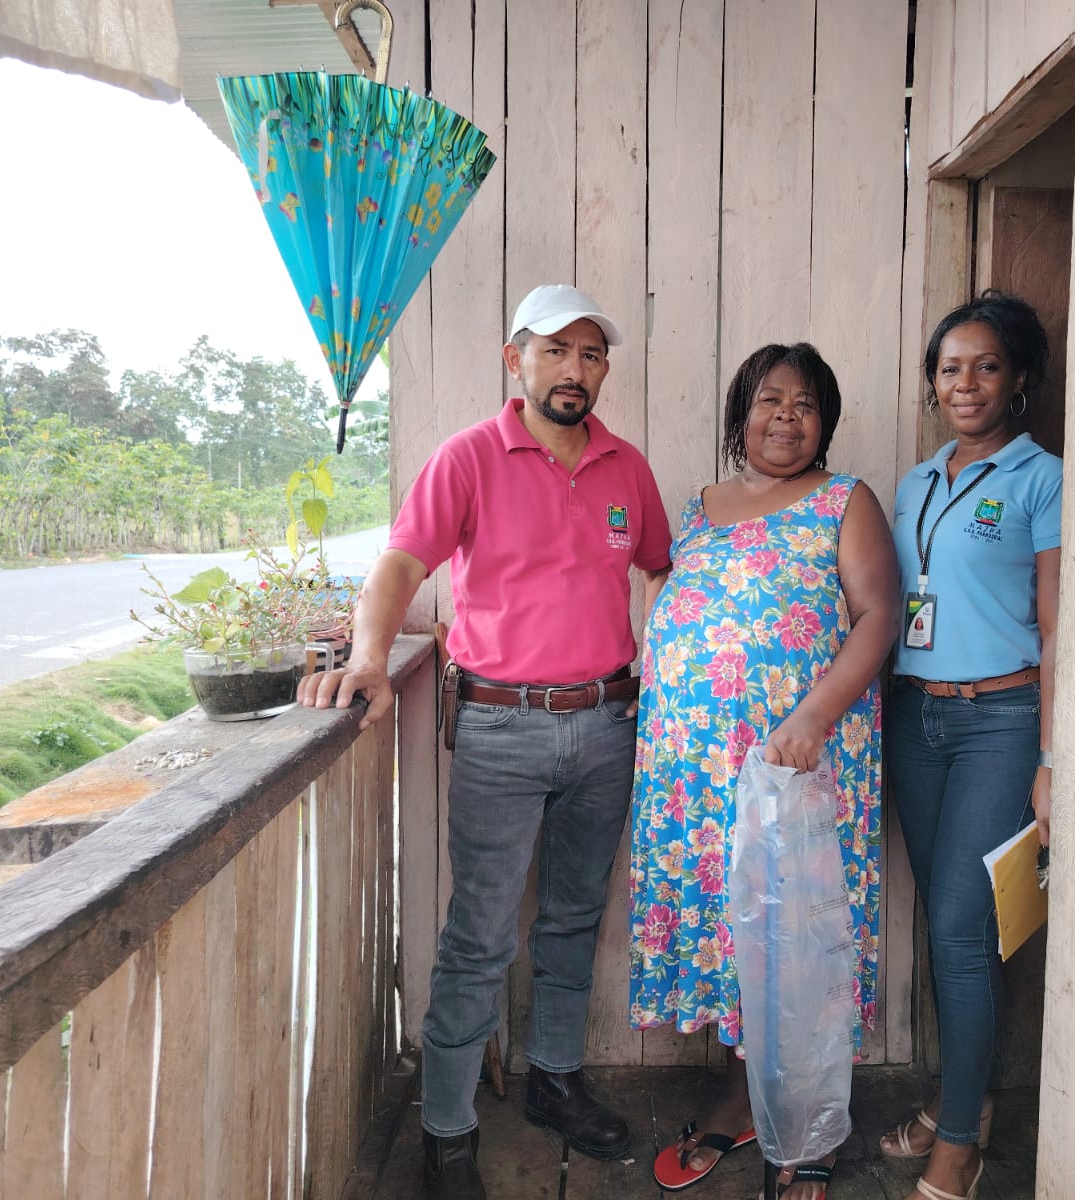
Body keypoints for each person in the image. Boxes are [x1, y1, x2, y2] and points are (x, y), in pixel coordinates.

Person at [298, 284, 673, 1199]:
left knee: (575, 917)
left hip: (609, 724)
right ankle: (448, 1130)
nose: (574, 370)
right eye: (555, 351)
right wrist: (371, 659)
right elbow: (400, 564)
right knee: (480, 934)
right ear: (517, 360)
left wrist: (677, 680)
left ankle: (554, 1080)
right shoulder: (469, 456)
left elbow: (663, 572)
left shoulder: (626, 467)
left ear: (604, 371)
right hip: (501, 726)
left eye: (590, 355)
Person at [630, 343, 900, 1200]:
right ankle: (746, 1095)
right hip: (699, 774)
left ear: (827, 421)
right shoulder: (697, 508)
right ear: (740, 414)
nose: (787, 416)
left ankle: (811, 1128)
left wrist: (812, 716)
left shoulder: (844, 500)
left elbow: (879, 614)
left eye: (805, 403)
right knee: (735, 926)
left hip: (797, 762)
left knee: (798, 932)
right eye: (770, 400)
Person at [879, 291, 1061, 1200]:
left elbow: (1057, 627)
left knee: (960, 926)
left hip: (1000, 721)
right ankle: (967, 1102)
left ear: (1017, 378)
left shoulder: (1041, 478)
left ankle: (958, 1145)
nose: (967, 383)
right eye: (950, 368)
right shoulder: (915, 483)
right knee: (953, 927)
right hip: (915, 720)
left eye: (987, 366)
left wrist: (1051, 760)